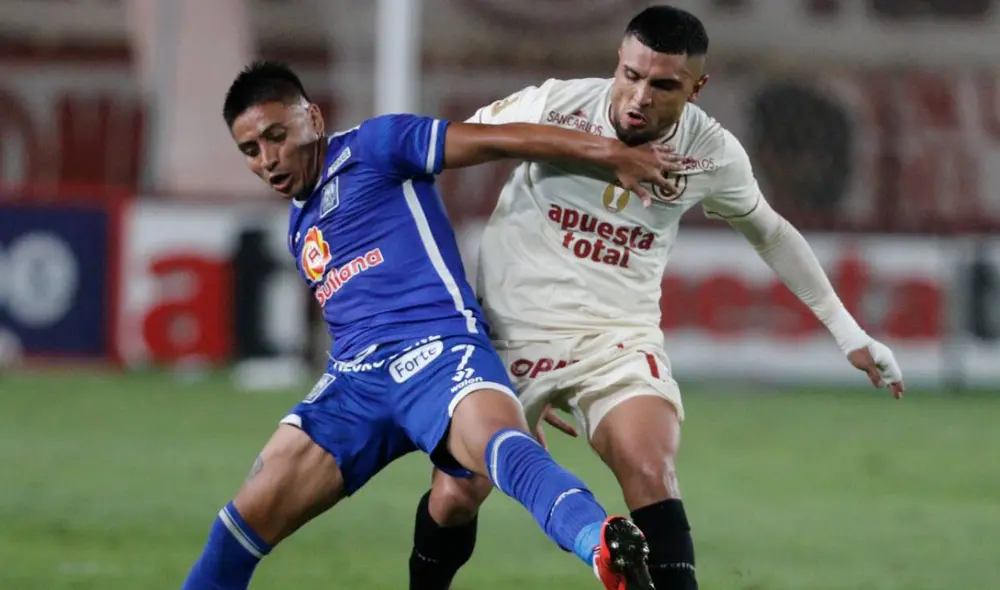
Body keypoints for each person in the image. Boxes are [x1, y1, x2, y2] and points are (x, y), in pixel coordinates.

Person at [406, 6, 907, 590]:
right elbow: (440, 153)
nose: (638, 96)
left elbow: (770, 232)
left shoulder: (711, 154)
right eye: (630, 74)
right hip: (509, 336)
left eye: (663, 84)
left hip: (616, 339)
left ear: (697, 88)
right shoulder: (556, 106)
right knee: (457, 493)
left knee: (650, 469)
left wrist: (850, 334)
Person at [178, 60, 690, 590]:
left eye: (276, 136)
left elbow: (501, 141)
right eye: (251, 150)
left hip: (437, 354)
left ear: (312, 116)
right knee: (236, 531)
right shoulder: (299, 225)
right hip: (354, 381)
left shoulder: (377, 145)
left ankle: (601, 544)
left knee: (500, 449)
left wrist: (612, 154)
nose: (268, 159)